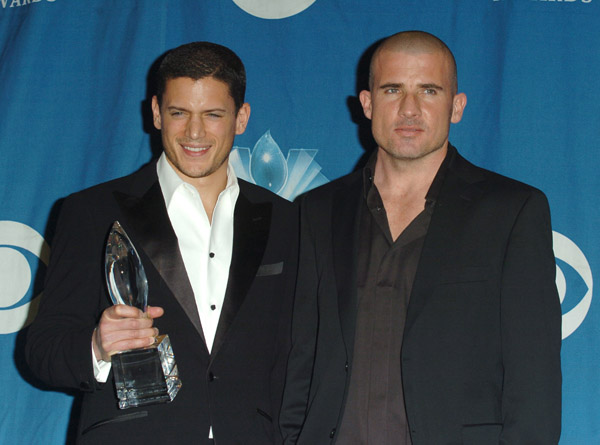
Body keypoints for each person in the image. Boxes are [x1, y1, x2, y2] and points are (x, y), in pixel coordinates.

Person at [280, 31, 561, 444]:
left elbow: (534, 381)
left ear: (456, 106)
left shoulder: (512, 212)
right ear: (367, 104)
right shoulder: (317, 211)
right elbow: (300, 358)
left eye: (429, 90)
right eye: (393, 89)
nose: (409, 109)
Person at [26, 42, 297, 444]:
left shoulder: (287, 221)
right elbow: (43, 349)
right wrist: (97, 346)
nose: (194, 132)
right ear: (156, 112)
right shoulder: (91, 212)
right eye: (178, 113)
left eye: (213, 115)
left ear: (241, 118)